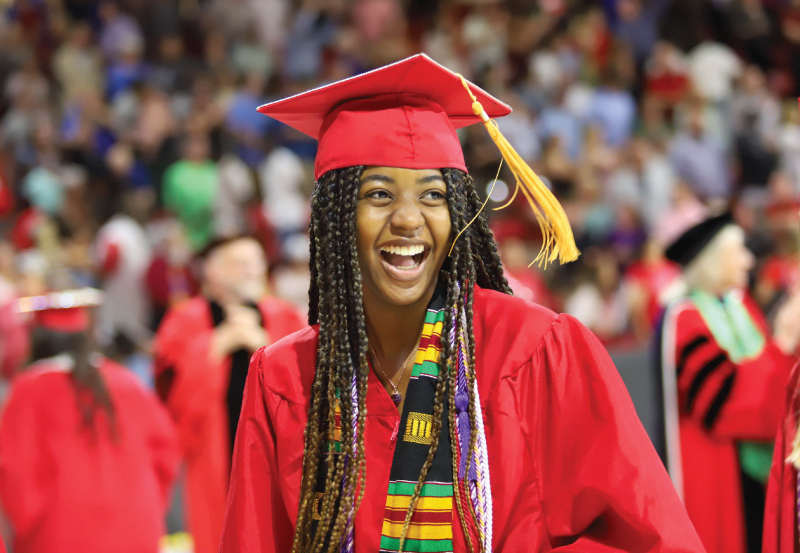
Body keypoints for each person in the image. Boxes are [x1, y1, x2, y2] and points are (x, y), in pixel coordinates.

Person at [220, 54, 703, 552]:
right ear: (337, 219)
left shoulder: (534, 351)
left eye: (433, 196)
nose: (409, 218)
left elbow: (648, 534)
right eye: (379, 195)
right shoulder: (286, 379)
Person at [656, 213, 800, 553]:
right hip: (717, 473)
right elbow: (722, 405)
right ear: (712, 260)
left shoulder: (740, 306)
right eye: (739, 250)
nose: (749, 260)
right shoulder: (685, 318)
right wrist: (781, 341)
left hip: (753, 468)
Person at [153, 235, 305, 553]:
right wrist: (216, 344)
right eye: (241, 263)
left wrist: (265, 345)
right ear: (214, 272)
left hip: (276, 452)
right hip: (214, 454)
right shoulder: (186, 319)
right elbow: (174, 401)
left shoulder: (284, 316)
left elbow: (306, 383)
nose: (252, 271)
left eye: (257, 262)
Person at [0, 290, 178, 553]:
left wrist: (26, 524)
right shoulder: (126, 380)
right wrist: (150, 501)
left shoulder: (28, 390)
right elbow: (166, 451)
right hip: (136, 525)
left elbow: (16, 470)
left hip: (61, 531)